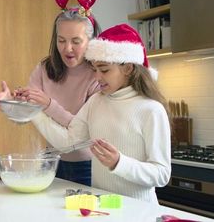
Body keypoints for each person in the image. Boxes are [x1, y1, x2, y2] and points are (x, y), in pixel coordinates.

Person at [32, 24, 171, 203]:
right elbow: (68, 142)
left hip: (140, 213)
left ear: (128, 68)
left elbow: (162, 174)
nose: (97, 77)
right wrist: (32, 113)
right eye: (95, 70)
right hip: (105, 209)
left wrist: (119, 163)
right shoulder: (96, 102)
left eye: (104, 70)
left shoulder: (151, 110)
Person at [0, 0, 101, 186]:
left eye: (76, 41)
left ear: (91, 40)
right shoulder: (45, 68)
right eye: (61, 40)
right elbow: (27, 118)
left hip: (90, 165)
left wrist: (48, 104)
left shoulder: (98, 75)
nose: (67, 49)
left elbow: (83, 131)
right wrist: (12, 104)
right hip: (52, 162)